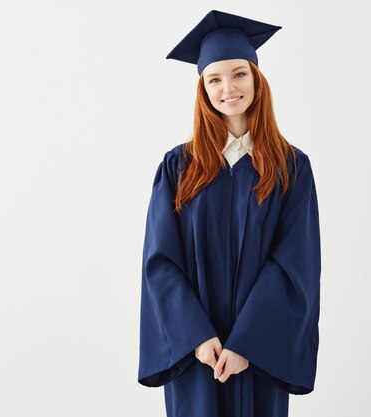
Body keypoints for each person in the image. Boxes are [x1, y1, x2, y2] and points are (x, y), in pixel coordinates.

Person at [137, 9, 321, 417]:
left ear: (257, 78)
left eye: (239, 74)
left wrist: (246, 343)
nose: (228, 88)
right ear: (202, 88)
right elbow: (161, 262)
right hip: (199, 354)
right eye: (214, 79)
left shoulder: (291, 167)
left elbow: (296, 262)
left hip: (258, 354)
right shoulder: (178, 168)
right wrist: (198, 338)